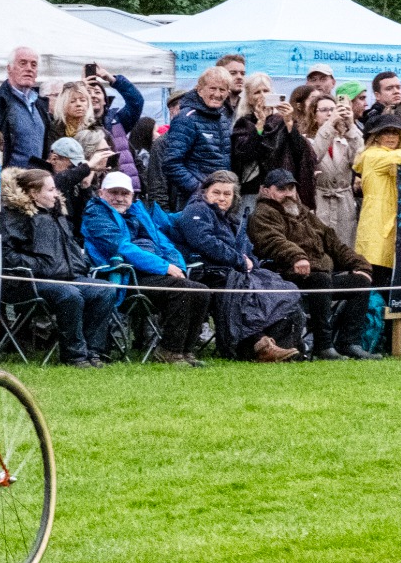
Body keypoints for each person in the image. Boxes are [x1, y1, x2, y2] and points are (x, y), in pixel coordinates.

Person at [81, 171, 206, 365]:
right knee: (180, 290)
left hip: (150, 274)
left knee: (201, 291)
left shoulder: (138, 213)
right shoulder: (96, 215)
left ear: (132, 196)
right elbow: (122, 248)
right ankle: (169, 350)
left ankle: (186, 350)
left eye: (125, 193)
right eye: (114, 192)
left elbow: (164, 244)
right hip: (121, 276)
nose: (119, 198)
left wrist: (178, 268)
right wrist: (164, 267)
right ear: (101, 193)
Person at [175, 170, 300, 362]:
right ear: (205, 192)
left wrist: (251, 262)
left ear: (234, 197)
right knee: (244, 290)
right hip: (209, 273)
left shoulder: (232, 220)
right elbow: (204, 242)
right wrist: (240, 261)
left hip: (234, 271)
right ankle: (256, 345)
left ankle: (280, 344)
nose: (222, 198)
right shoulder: (196, 210)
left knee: (280, 288)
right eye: (216, 192)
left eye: (227, 194)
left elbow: (248, 250)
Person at [249, 168, 374, 359]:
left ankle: (349, 342)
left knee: (360, 283)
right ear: (266, 190)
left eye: (291, 188)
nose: (288, 193)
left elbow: (334, 243)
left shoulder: (304, 213)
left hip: (318, 273)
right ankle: (323, 346)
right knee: (321, 280)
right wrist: (297, 256)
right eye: (281, 189)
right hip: (284, 274)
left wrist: (360, 266)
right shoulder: (263, 214)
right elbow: (273, 241)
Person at [0, 167, 118, 367]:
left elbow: (69, 248)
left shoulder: (56, 214)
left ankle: (95, 352)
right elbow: (6, 255)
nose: (56, 194)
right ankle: (75, 356)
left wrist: (79, 264)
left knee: (104, 290)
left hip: (65, 277)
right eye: (51, 189)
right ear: (34, 193)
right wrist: (41, 265)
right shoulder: (14, 217)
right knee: (69, 294)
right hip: (27, 283)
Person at [353, 114, 401, 282]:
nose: (391, 136)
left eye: (395, 132)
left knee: (390, 270)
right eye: (386, 132)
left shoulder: (396, 155)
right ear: (376, 136)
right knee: (376, 267)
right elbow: (396, 158)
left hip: (394, 217)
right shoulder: (371, 155)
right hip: (377, 218)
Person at [158, 66, 235, 205]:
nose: (217, 94)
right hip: (194, 200)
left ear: (228, 93)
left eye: (222, 90)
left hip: (220, 199)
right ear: (200, 90)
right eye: (212, 88)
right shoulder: (186, 118)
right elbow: (171, 163)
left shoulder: (223, 118)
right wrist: (200, 190)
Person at [306, 90, 362, 247]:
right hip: (319, 200)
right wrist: (330, 125)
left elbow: (360, 161)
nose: (330, 113)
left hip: (344, 202)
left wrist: (351, 125)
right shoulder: (306, 140)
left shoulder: (346, 139)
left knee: (346, 246)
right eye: (324, 110)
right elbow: (313, 157)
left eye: (333, 109)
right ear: (314, 115)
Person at [0, 45, 49, 167]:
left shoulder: (40, 104)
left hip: (36, 177)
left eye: (33, 65)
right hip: (8, 177)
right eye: (23, 63)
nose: (29, 69)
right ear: (9, 68)